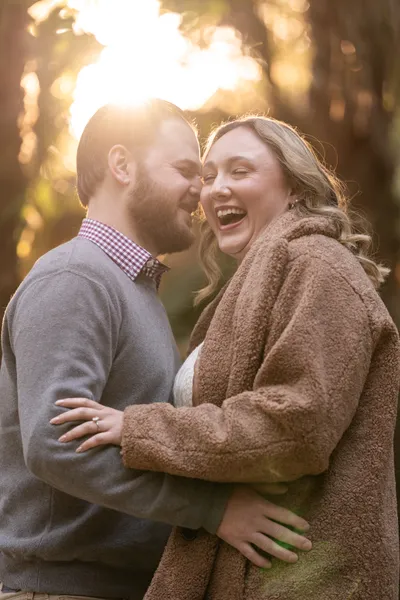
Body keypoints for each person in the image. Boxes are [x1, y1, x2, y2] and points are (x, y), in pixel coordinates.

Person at [55, 115, 400, 600]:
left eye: (240, 171)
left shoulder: (317, 266)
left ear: (296, 186)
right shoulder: (254, 282)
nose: (214, 189)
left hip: (303, 579)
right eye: (209, 175)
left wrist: (139, 428)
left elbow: (297, 424)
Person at [0, 103, 311, 600]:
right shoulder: (76, 279)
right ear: (122, 166)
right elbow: (54, 444)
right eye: (186, 171)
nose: (202, 191)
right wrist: (213, 509)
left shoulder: (135, 289)